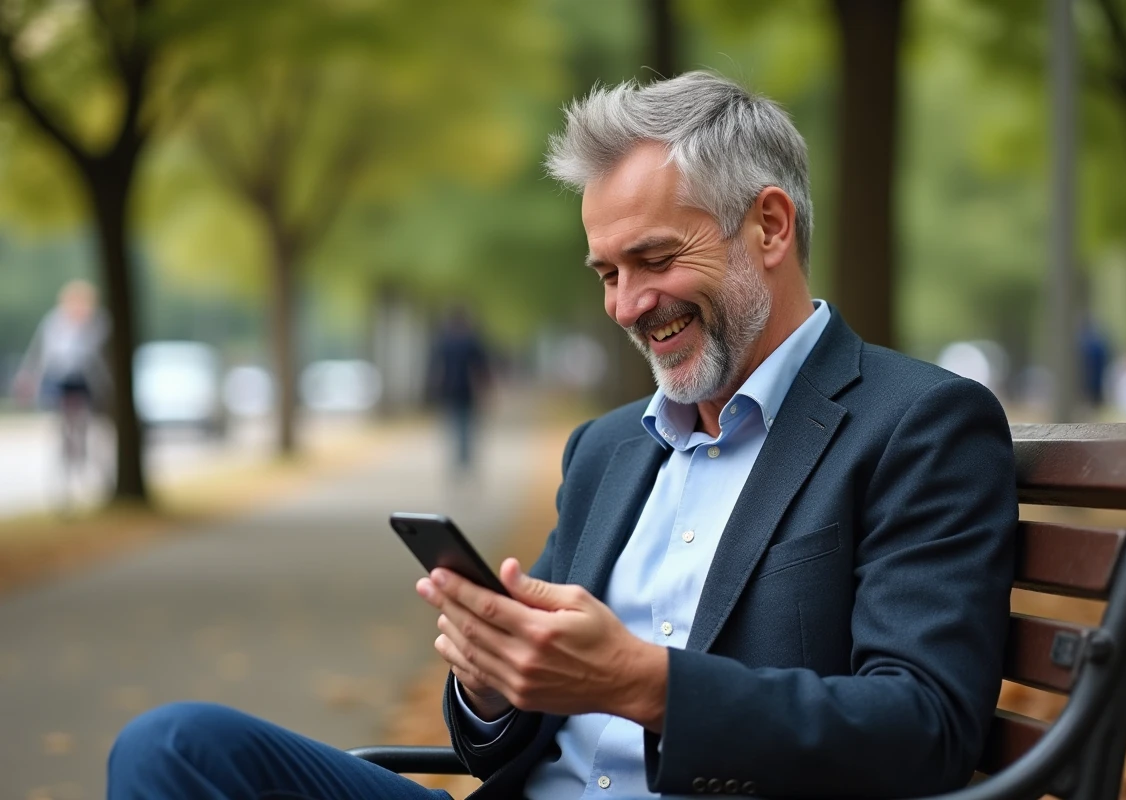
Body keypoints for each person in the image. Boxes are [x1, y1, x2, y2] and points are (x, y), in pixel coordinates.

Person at [107, 72, 1017, 799]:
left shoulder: (918, 425)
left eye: (656, 260)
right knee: (176, 747)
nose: (628, 305)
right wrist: (493, 683)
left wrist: (643, 682)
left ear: (769, 226)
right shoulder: (606, 450)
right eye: (607, 273)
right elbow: (507, 735)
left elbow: (926, 727)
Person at [13, 279, 111, 470]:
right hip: (59, 377)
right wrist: (29, 376)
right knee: (63, 419)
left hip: (86, 379)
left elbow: (101, 358)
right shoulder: (54, 322)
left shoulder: (98, 323)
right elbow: (39, 352)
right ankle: (67, 452)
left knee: (85, 419)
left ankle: (81, 452)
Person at [427, 305, 491, 473]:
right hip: (465, 389)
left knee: (454, 424)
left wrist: (434, 386)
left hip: (449, 389)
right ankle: (464, 458)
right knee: (465, 425)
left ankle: (458, 457)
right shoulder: (471, 341)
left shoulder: (444, 342)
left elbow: (436, 367)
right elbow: (481, 368)